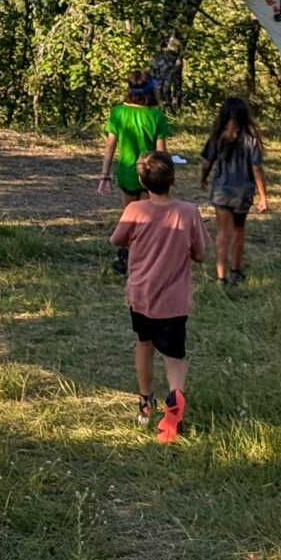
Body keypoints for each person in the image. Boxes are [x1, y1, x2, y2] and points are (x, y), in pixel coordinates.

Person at [113, 152, 205, 440]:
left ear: (142, 180)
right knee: (175, 355)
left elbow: (116, 239)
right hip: (175, 299)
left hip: (141, 295)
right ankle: (175, 397)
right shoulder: (189, 211)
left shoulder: (135, 210)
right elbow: (200, 254)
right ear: (173, 180)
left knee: (143, 344)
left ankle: (145, 401)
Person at [198, 96, 270, 291]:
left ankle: (220, 276)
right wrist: (263, 197)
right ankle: (235, 271)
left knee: (222, 232)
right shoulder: (251, 141)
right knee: (238, 231)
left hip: (221, 191)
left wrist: (203, 178)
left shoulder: (217, 138)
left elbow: (207, 162)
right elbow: (257, 169)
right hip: (242, 192)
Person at [99, 73, 167, 276]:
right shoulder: (156, 116)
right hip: (150, 172)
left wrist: (105, 175)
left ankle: (124, 255)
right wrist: (166, 176)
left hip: (127, 171)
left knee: (128, 215)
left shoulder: (118, 113)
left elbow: (110, 147)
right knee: (147, 217)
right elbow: (161, 151)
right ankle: (144, 258)